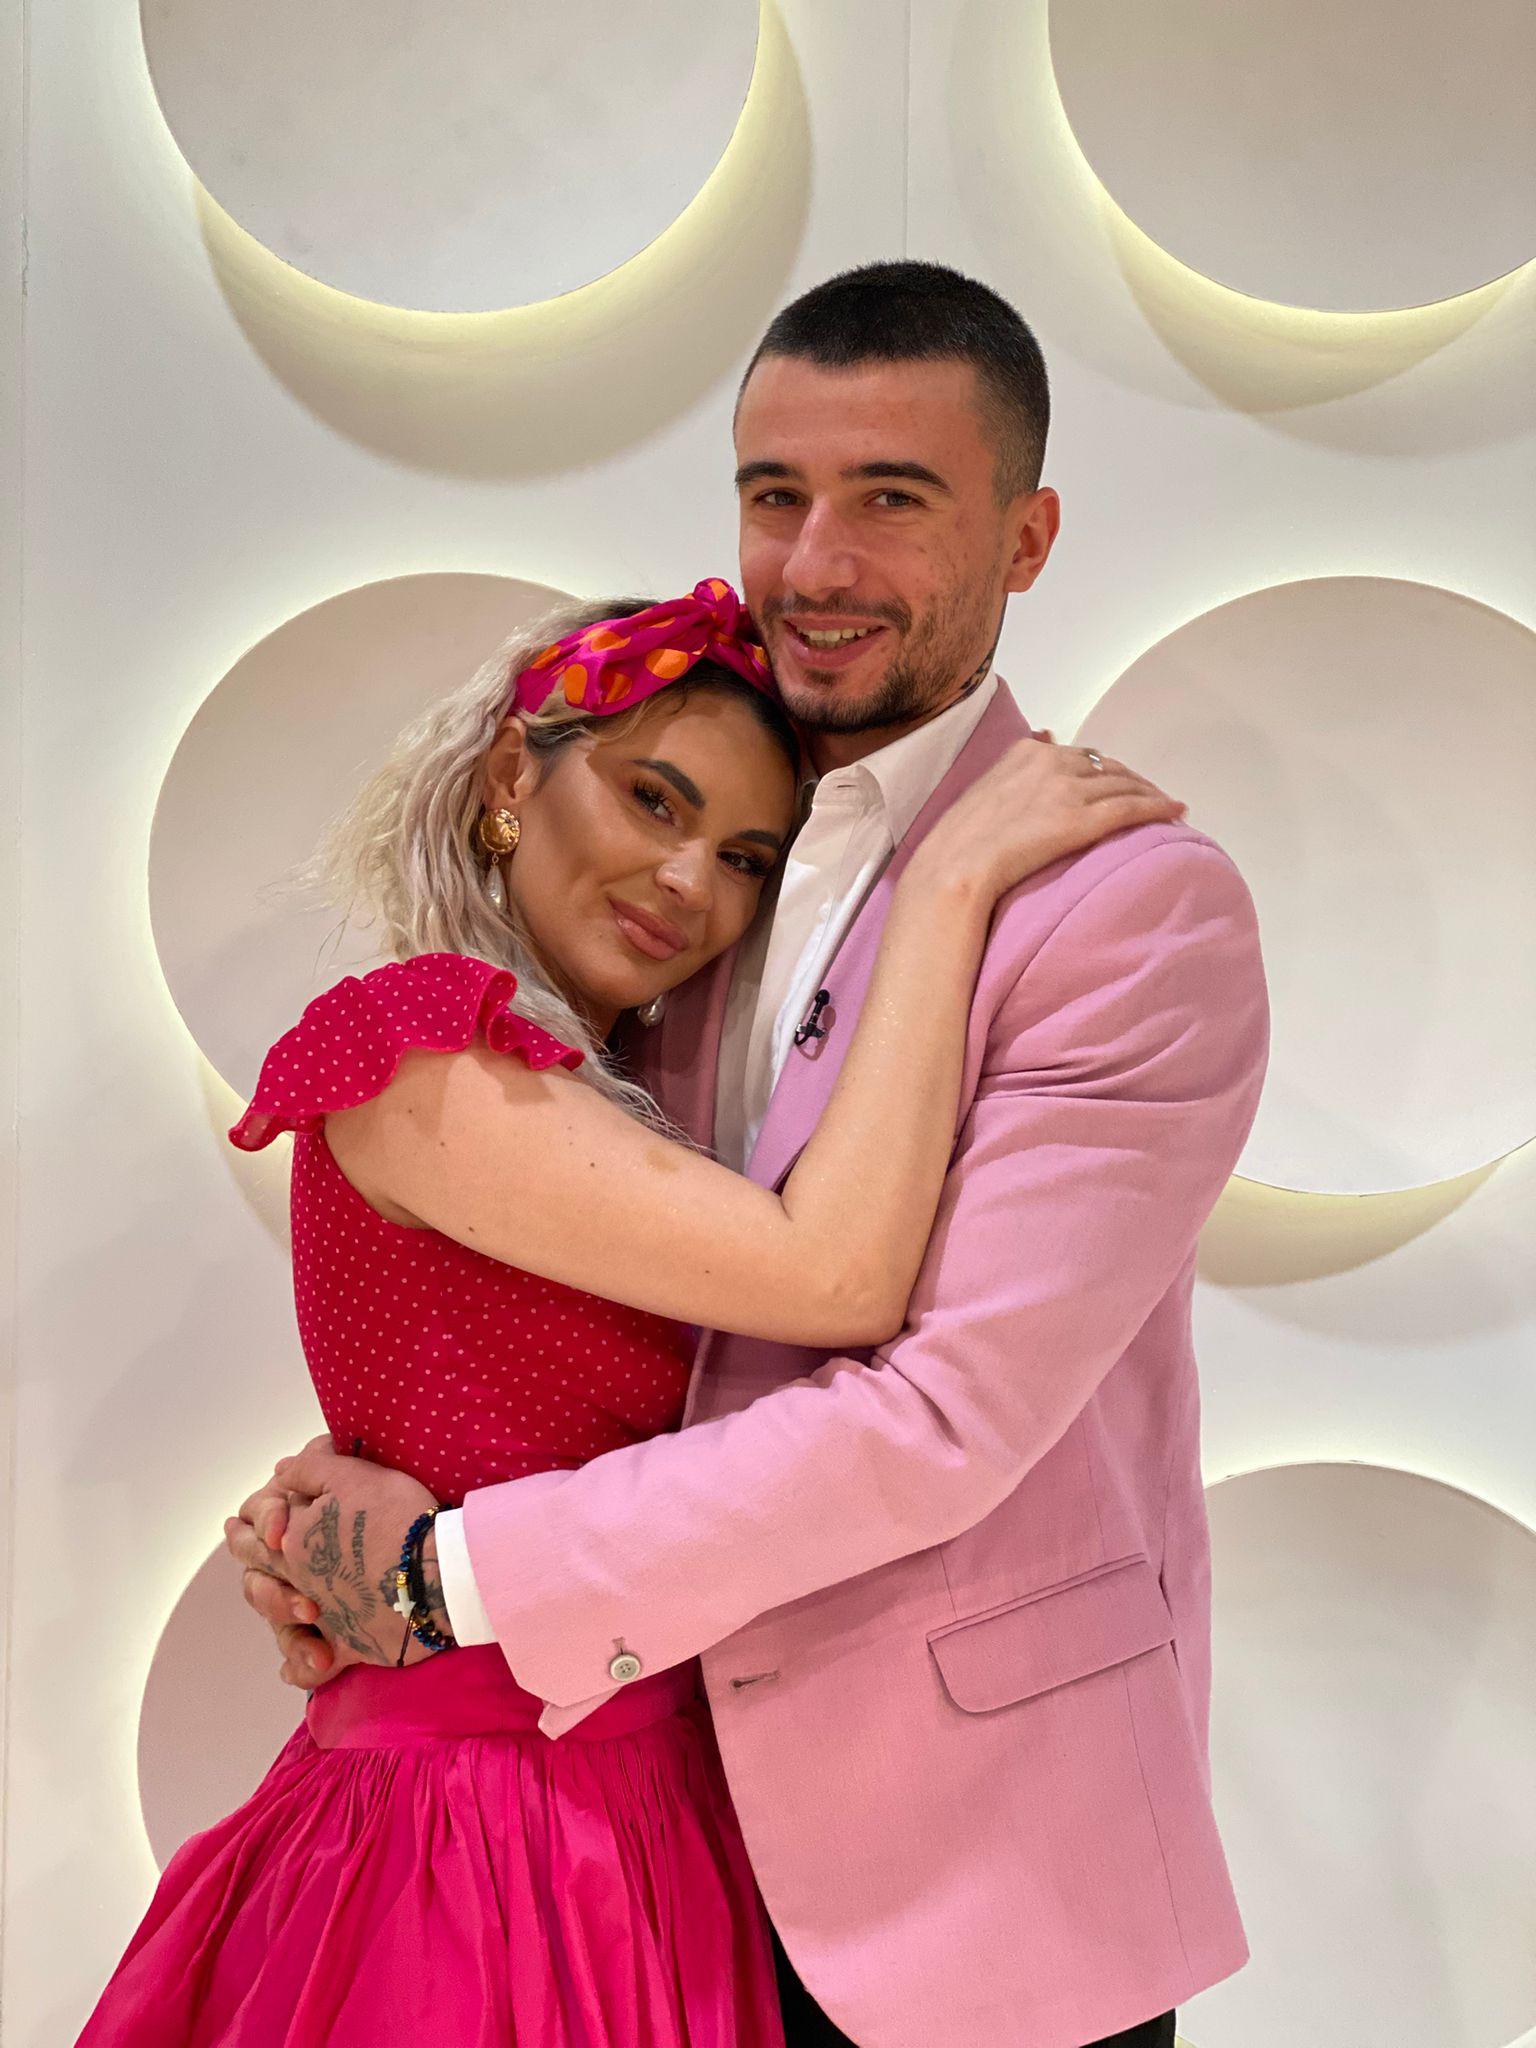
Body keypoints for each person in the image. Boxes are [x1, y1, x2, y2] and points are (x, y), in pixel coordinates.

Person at [231, 263, 1270, 2048]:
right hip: (639, 1827)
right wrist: (347, 1495)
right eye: (775, 494)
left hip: (976, 1866)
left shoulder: (1130, 912)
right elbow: (583, 1293)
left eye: (894, 498)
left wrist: (445, 1575)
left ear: (1026, 539)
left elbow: (940, 1415)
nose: (817, 561)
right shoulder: (690, 884)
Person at [78, 568, 1181, 2048]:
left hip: (653, 1808)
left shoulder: (613, 1097)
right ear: (507, 781)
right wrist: (948, 887)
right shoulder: (418, 1041)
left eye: (744, 858)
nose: (687, 884)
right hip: (473, 1832)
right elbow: (836, 1279)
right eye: (653, 802)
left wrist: (330, 1515)